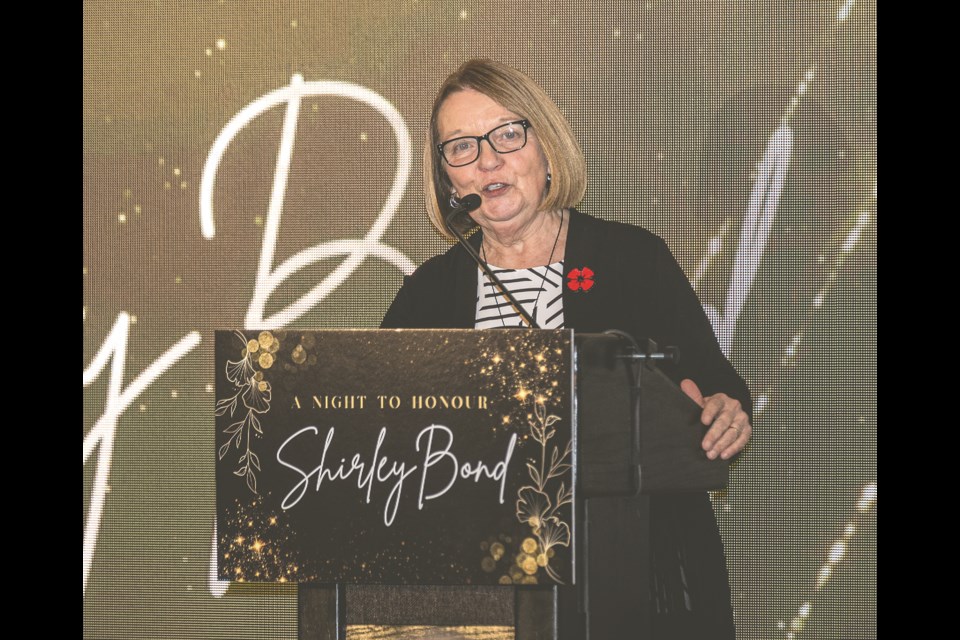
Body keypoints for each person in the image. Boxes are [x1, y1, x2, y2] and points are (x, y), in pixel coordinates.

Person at [382, 58, 752, 638]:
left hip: (637, 568)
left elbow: (716, 384)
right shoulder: (427, 295)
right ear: (447, 177)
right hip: (477, 593)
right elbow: (381, 441)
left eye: (506, 134)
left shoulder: (633, 261)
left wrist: (726, 408)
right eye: (460, 147)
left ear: (546, 147)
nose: (486, 160)